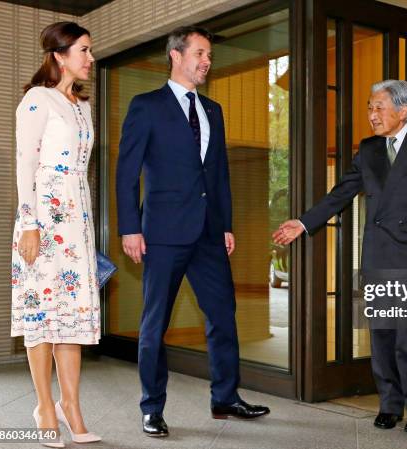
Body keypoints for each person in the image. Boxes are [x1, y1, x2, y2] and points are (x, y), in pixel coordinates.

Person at [273, 79, 407, 435]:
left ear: (403, 110)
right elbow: (340, 194)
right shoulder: (368, 149)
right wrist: (303, 223)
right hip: (377, 252)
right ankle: (390, 404)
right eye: (369, 107)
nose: (372, 115)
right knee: (381, 334)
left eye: (379, 107)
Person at [116, 25, 270, 437]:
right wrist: (129, 228)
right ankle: (152, 408)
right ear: (176, 55)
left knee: (223, 316)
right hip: (162, 233)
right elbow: (126, 173)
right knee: (154, 324)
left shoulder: (213, 111)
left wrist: (226, 224)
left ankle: (226, 397)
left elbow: (218, 175)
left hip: (208, 234)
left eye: (209, 56)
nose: (206, 62)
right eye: (200, 53)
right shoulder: (145, 106)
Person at [10, 21, 101, 447]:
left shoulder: (82, 106)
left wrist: (84, 225)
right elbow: (25, 165)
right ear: (60, 55)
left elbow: (81, 171)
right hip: (42, 221)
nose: (90, 57)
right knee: (42, 317)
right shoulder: (36, 100)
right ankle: (45, 407)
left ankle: (72, 406)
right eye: (83, 50)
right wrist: (29, 224)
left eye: (90, 50)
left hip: (76, 221)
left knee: (73, 319)